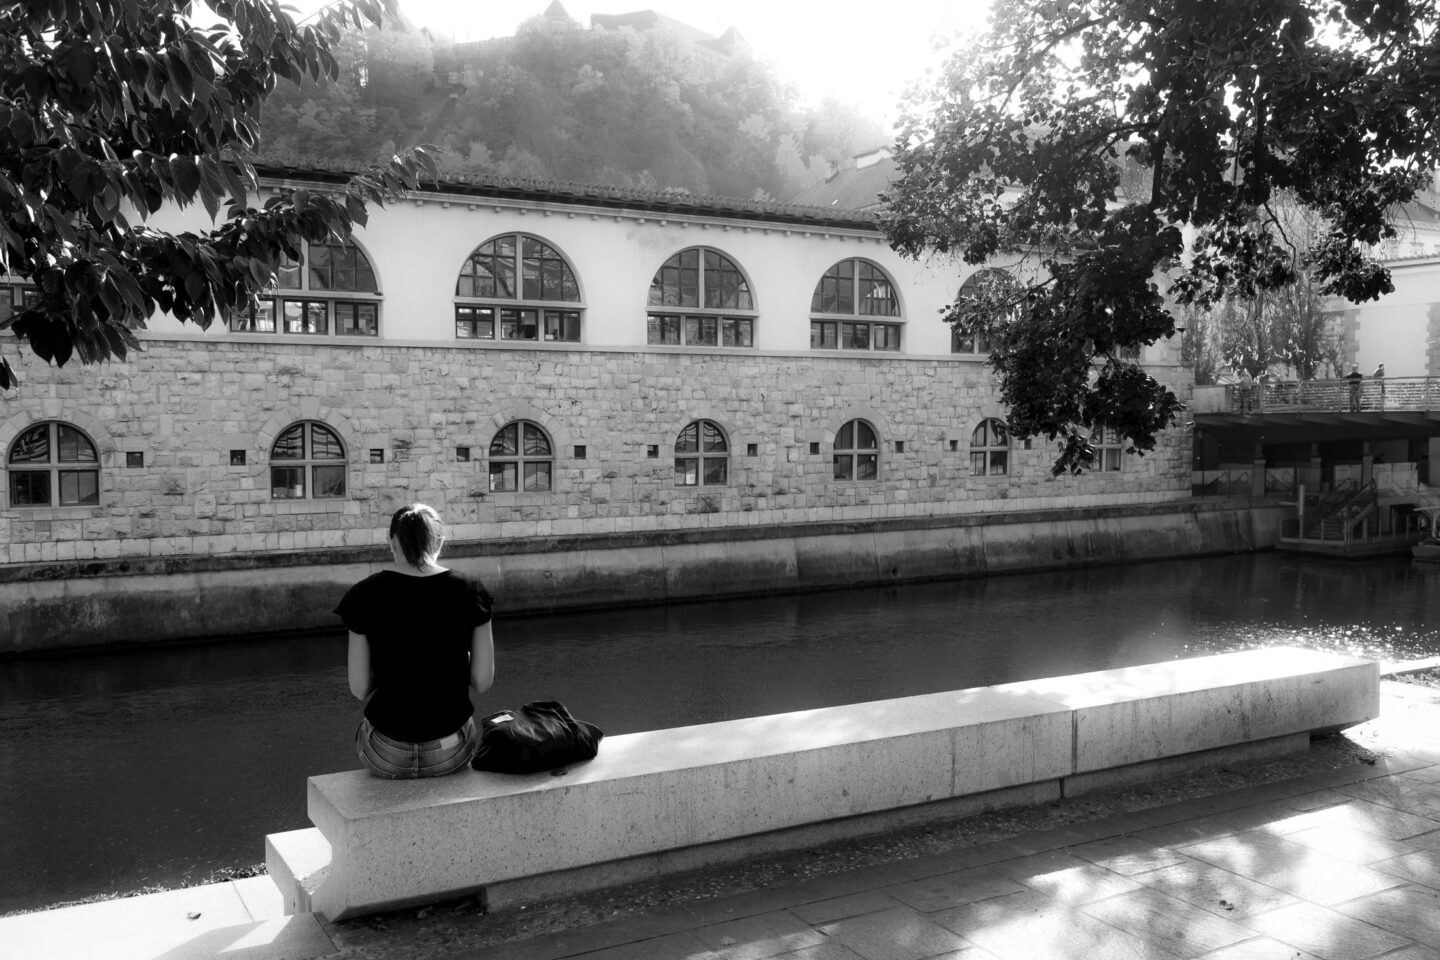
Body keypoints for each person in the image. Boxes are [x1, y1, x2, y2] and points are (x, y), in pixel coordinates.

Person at [335, 503, 495, 778]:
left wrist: (390, 665)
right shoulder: (471, 591)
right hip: (450, 751)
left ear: (392, 542)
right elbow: (482, 681)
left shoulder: (363, 595)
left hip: (385, 753)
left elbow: (359, 688)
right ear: (440, 542)